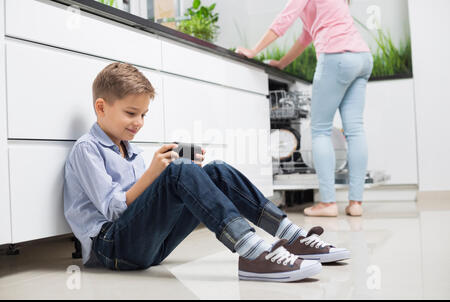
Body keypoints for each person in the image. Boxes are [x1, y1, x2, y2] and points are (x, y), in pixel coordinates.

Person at [63, 62, 350, 283]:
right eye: (130, 113)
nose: (138, 122)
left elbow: (144, 209)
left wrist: (191, 182)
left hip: (149, 247)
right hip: (111, 249)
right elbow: (114, 211)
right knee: (176, 172)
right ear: (101, 107)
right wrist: (156, 175)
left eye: (143, 115)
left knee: (216, 172)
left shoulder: (131, 151)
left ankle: (291, 236)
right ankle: (252, 253)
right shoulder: (87, 149)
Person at [236, 0, 373, 217]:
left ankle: (328, 203)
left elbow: (283, 21)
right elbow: (305, 37)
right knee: (355, 129)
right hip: (362, 57)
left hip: (335, 56)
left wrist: (254, 51)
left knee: (320, 130)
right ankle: (356, 203)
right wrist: (282, 63)